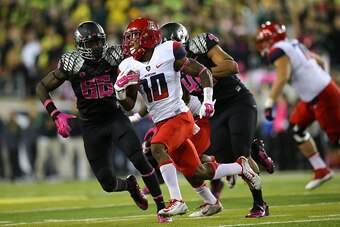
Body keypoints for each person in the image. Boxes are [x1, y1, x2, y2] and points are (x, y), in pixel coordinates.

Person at [115, 17, 261, 218]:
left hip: (180, 116)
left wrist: (208, 100)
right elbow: (129, 103)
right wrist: (120, 92)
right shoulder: (127, 65)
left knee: (157, 147)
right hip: (163, 121)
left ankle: (177, 200)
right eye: (129, 38)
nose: (130, 42)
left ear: (148, 37)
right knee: (195, 171)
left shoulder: (168, 52)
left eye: (134, 37)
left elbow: (203, 72)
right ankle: (227, 181)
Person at [35, 21, 171, 223]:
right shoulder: (72, 63)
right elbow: (42, 87)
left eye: (98, 42)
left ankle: (162, 209)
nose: (96, 48)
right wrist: (55, 114)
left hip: (114, 117)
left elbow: (143, 66)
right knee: (107, 183)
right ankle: (130, 186)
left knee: (140, 160)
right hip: (90, 125)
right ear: (80, 45)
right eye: (90, 44)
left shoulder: (115, 56)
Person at [156, 22, 274, 218]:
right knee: (223, 163)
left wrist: (204, 74)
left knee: (241, 156)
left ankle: (260, 204)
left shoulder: (200, 46)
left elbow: (231, 66)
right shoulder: (172, 67)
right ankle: (253, 148)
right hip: (215, 112)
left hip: (237, 101)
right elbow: (183, 97)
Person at [256, 21, 339, 190]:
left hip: (322, 95)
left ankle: (322, 168)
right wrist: (323, 79)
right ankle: (320, 169)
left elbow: (282, 77)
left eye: (265, 41)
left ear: (273, 39)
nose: (263, 45)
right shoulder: (292, 43)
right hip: (315, 95)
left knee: (336, 138)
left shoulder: (278, 49)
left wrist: (269, 102)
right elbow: (320, 61)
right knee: (296, 127)